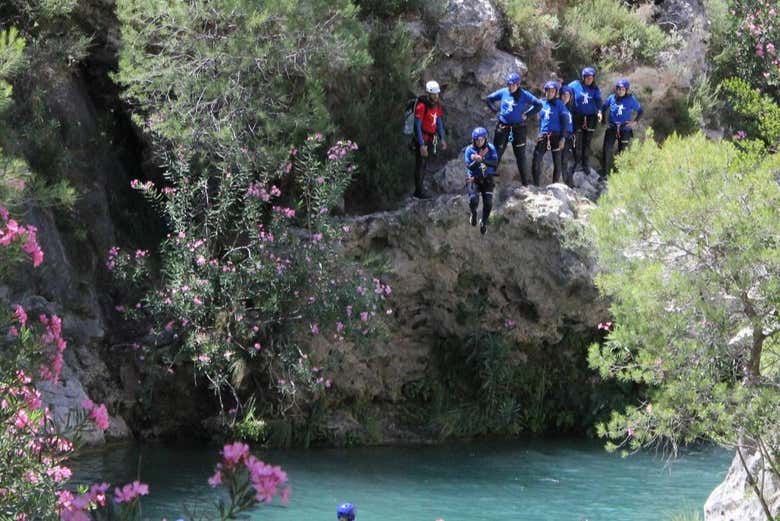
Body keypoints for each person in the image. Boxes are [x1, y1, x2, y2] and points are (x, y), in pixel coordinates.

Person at [485, 72, 542, 186]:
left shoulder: (524, 94)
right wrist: (495, 111)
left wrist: (527, 114)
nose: (511, 87)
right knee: (496, 153)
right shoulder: (503, 92)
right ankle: (487, 180)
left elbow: (538, 104)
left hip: (518, 129)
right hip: (503, 127)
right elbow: (489, 99)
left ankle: (525, 184)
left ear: (518, 84)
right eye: (509, 84)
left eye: (513, 85)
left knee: (520, 156)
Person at [412, 80, 447, 199]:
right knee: (420, 164)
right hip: (422, 138)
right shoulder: (421, 107)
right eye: (434, 94)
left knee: (424, 163)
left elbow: (439, 122)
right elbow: (417, 126)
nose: (436, 96)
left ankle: (420, 188)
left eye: (437, 94)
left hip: (431, 138)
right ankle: (418, 191)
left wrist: (442, 138)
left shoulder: (436, 106)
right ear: (428, 94)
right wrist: (421, 144)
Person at [601, 78, 642, 179]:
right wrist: (602, 118)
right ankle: (606, 173)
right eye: (618, 88)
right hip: (612, 127)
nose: (620, 91)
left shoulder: (631, 99)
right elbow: (603, 107)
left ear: (626, 90)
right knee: (607, 149)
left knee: (622, 152)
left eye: (622, 89)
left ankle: (620, 175)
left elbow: (641, 111)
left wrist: (635, 121)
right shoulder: (611, 98)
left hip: (625, 129)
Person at [531, 81, 570, 186]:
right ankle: (536, 186)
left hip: (556, 137)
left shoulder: (560, 105)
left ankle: (555, 186)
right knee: (536, 160)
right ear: (545, 91)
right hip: (543, 135)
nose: (550, 93)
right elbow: (531, 110)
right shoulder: (541, 103)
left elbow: (565, 122)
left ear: (556, 92)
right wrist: (524, 115)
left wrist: (563, 138)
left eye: (552, 91)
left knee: (557, 162)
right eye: (548, 91)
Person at [464, 126, 499, 235]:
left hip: (487, 178)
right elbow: (470, 167)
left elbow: (494, 163)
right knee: (473, 201)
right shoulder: (469, 150)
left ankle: (484, 222)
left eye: (482, 139)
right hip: (473, 178)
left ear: (485, 139)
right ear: (473, 140)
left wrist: (482, 159)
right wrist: (477, 160)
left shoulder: (490, 148)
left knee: (488, 203)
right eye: (477, 140)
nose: (480, 142)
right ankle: (473, 213)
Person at [567, 67, 602, 173]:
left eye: (591, 78)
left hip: (591, 118)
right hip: (577, 116)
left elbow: (598, 101)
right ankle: (577, 163)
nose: (589, 79)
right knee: (576, 140)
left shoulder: (595, 89)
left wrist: (600, 112)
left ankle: (585, 164)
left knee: (587, 141)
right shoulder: (574, 85)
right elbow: (565, 92)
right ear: (583, 77)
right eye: (587, 77)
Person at [559, 85, 576, 187]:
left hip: (569, 137)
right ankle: (563, 182)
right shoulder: (558, 107)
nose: (566, 97)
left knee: (567, 160)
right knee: (562, 160)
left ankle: (567, 181)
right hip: (561, 136)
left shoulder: (569, 108)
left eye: (568, 95)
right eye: (564, 95)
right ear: (560, 95)